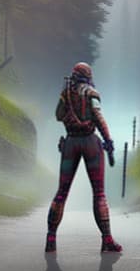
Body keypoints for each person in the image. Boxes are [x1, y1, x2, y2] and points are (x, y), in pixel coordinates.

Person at [45, 62, 122, 254]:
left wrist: (71, 119)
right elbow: (98, 116)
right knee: (99, 194)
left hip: (71, 143)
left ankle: (51, 239)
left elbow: (58, 115)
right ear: (88, 75)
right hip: (90, 142)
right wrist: (108, 140)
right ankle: (107, 240)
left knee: (61, 193)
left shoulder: (66, 94)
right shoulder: (91, 92)